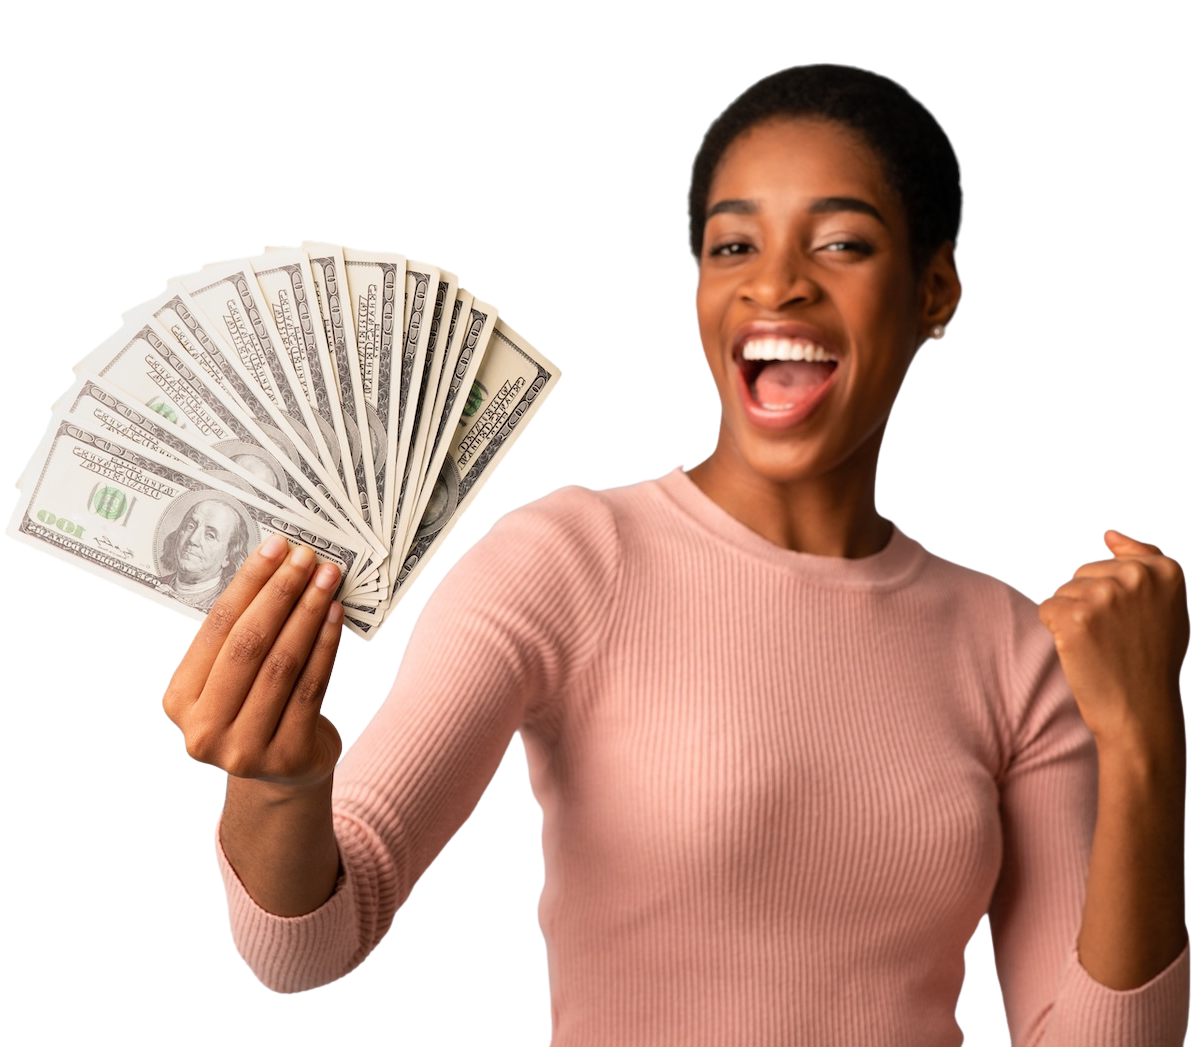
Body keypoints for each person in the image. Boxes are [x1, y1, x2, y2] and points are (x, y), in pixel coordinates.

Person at [161, 65, 1190, 1043]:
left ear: (934, 290)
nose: (776, 287)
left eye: (841, 244)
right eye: (733, 248)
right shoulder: (568, 559)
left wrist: (1146, 742)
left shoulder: (1010, 643)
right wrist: (280, 789)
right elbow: (311, 946)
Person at [157, 496, 251, 613]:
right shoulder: (153, 584)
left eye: (210, 535)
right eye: (190, 527)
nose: (193, 539)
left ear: (228, 556)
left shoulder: (228, 609)